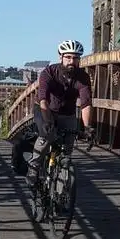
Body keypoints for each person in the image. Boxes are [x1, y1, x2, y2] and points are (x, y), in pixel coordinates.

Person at [26, 39, 95, 192]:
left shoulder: (83, 77)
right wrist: (47, 121)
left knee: (67, 150)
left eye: (75, 58)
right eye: (68, 57)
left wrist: (88, 127)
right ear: (61, 57)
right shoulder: (49, 72)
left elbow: (86, 103)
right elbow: (43, 99)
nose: (72, 61)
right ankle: (33, 167)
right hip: (45, 109)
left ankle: (60, 190)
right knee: (46, 135)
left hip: (67, 113)